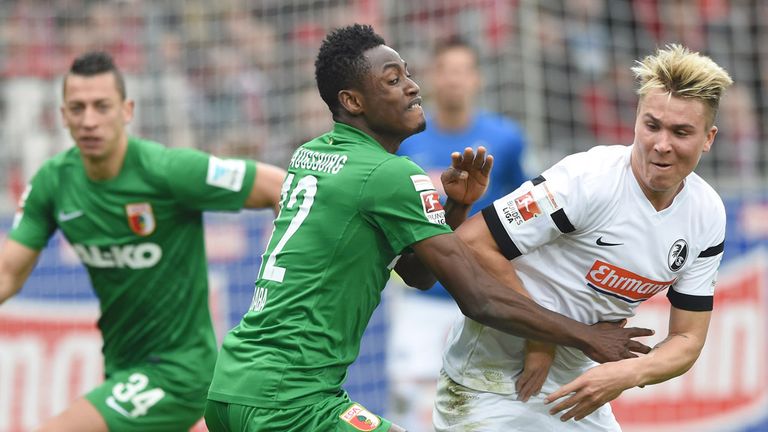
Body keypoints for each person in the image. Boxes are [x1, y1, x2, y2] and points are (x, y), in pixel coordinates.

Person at [204, 24, 653, 432]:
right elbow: (477, 298)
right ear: (353, 101)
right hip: (289, 400)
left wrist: (454, 208)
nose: (413, 87)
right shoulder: (390, 173)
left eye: (407, 73)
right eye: (393, 80)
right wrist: (587, 335)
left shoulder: (311, 154)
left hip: (234, 385)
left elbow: (418, 274)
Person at [433, 44, 733, 431]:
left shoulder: (707, 214)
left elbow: (688, 339)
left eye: (681, 132)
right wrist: (540, 341)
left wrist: (627, 374)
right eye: (651, 125)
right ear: (636, 119)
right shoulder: (586, 180)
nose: (661, 144)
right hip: (490, 379)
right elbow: (471, 245)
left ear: (708, 138)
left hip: (578, 387)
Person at [0, 51, 286, 432]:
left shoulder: (167, 172)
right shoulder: (53, 182)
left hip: (180, 371)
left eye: (101, 106)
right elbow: (7, 273)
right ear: (62, 115)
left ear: (127, 110)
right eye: (77, 108)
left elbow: (281, 187)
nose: (89, 120)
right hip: (123, 365)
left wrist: (291, 275)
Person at [391, 37, 528, 430]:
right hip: (423, 294)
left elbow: (526, 206)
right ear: (432, 77)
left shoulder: (506, 139)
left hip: (484, 292)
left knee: (488, 402)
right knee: (407, 401)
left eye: (462, 71)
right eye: (445, 70)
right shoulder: (406, 139)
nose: (453, 80)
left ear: (476, 79)